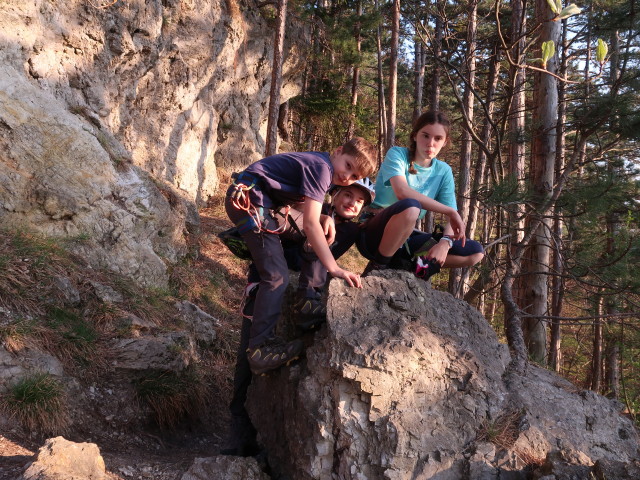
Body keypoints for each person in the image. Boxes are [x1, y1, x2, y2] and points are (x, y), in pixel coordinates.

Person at [222, 180, 375, 457]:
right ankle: (238, 435)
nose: (352, 202)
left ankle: (270, 442)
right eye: (348, 195)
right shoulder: (311, 210)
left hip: (294, 281)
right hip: (265, 285)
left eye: (359, 201)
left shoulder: (352, 229)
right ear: (334, 194)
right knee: (247, 359)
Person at [224, 137, 377, 377]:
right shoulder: (322, 168)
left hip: (268, 203)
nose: (348, 177)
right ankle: (260, 349)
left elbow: (309, 214)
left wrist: (324, 218)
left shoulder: (324, 168)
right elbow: (310, 224)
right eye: (348, 166)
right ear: (337, 151)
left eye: (355, 176)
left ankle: (307, 297)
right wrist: (334, 268)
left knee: (318, 230)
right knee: (276, 276)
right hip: (250, 199)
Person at [359, 110, 484, 279]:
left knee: (475, 253)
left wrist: (445, 243)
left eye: (438, 138)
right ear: (415, 136)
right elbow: (402, 192)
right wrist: (449, 211)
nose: (430, 143)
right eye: (425, 136)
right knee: (412, 207)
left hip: (406, 239)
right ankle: (377, 267)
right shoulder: (397, 155)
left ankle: (412, 268)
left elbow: (452, 223)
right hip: (373, 233)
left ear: (445, 142)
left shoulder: (443, 171)